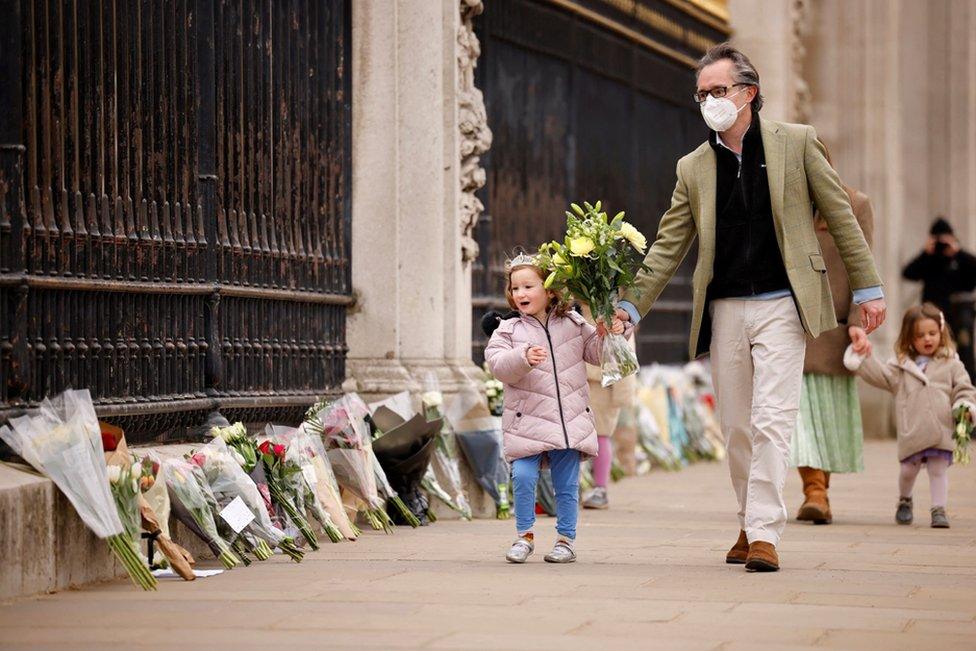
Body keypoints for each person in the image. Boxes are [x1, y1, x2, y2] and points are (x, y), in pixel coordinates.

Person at [614, 42, 885, 572]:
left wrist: (868, 290)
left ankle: (764, 533)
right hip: (727, 308)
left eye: (719, 91)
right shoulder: (693, 166)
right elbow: (670, 243)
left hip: (785, 304)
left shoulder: (799, 144)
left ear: (748, 94)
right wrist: (631, 305)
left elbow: (843, 215)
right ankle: (748, 517)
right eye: (702, 94)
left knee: (773, 418)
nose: (710, 100)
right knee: (737, 424)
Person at [484, 253, 628, 564]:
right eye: (515, 288)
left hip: (569, 421)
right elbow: (497, 365)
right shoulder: (507, 330)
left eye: (528, 286)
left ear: (549, 290)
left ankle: (566, 539)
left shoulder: (574, 324)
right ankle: (524, 536)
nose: (521, 293)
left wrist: (614, 332)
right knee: (522, 477)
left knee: (567, 484)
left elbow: (597, 353)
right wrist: (522, 357)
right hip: (527, 422)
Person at [845, 304, 976, 528]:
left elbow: (964, 389)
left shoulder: (951, 364)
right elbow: (880, 376)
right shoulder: (901, 367)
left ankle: (939, 509)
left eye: (932, 333)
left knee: (938, 469)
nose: (927, 339)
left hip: (941, 428)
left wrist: (964, 405)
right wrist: (862, 356)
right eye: (920, 335)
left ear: (941, 333)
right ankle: (905, 499)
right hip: (912, 430)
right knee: (908, 471)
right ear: (909, 338)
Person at [792, 183, 875, 525]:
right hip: (789, 325)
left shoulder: (855, 203)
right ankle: (814, 491)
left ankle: (819, 492)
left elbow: (864, 264)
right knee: (797, 419)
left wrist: (858, 321)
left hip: (835, 330)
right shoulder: (783, 200)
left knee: (825, 419)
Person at [580, 303, 638, 510]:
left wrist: (623, 394)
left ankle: (600, 487)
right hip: (579, 377)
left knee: (600, 434)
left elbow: (624, 353)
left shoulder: (617, 317)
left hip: (604, 382)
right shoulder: (574, 309)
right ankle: (576, 486)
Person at [902, 218, 976, 380]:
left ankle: (969, 385)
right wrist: (925, 253)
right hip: (933, 314)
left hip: (959, 313)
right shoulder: (929, 258)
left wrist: (958, 252)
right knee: (932, 347)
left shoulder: (960, 258)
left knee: (965, 350)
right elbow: (908, 273)